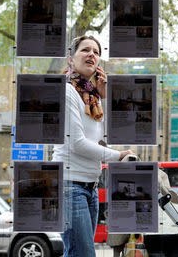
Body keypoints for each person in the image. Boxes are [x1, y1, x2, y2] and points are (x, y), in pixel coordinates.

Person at [52, 35, 134, 257]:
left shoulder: (93, 96)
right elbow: (77, 143)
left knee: (80, 253)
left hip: (89, 185)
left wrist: (105, 96)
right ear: (71, 59)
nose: (92, 54)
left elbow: (106, 135)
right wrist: (118, 156)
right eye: (85, 50)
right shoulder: (67, 91)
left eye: (96, 52)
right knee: (83, 254)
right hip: (70, 185)